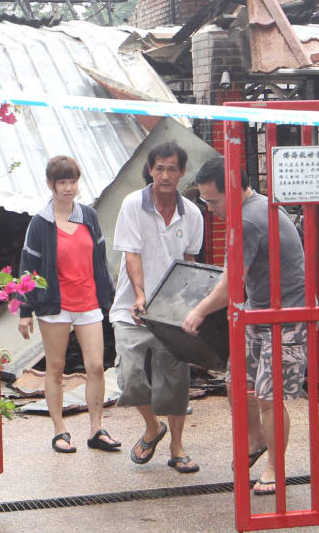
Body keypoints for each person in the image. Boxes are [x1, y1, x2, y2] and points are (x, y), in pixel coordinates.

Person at [182, 157, 306, 496]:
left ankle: (275, 470)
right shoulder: (250, 211)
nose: (209, 209)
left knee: (269, 397)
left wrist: (198, 312)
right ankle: (256, 441)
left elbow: (231, 286)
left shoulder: (250, 220)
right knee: (238, 386)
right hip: (256, 313)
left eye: (213, 201)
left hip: (285, 319)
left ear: (234, 190)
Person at [110, 141, 204, 474]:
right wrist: (139, 295)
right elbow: (131, 254)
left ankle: (177, 447)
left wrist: (191, 307)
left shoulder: (191, 213)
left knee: (175, 380)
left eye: (172, 169)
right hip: (130, 308)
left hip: (172, 312)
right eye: (159, 168)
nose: (165, 175)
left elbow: (190, 263)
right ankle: (153, 427)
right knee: (130, 377)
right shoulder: (133, 204)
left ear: (182, 172)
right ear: (150, 169)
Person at [18, 155, 120, 454]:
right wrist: (25, 311)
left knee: (96, 366)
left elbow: (100, 262)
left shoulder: (89, 216)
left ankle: (96, 429)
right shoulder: (40, 223)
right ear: (50, 184)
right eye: (61, 182)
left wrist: (110, 299)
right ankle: (60, 430)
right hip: (55, 305)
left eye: (72, 181)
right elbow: (28, 267)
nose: (68, 187)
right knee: (56, 367)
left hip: (88, 301)